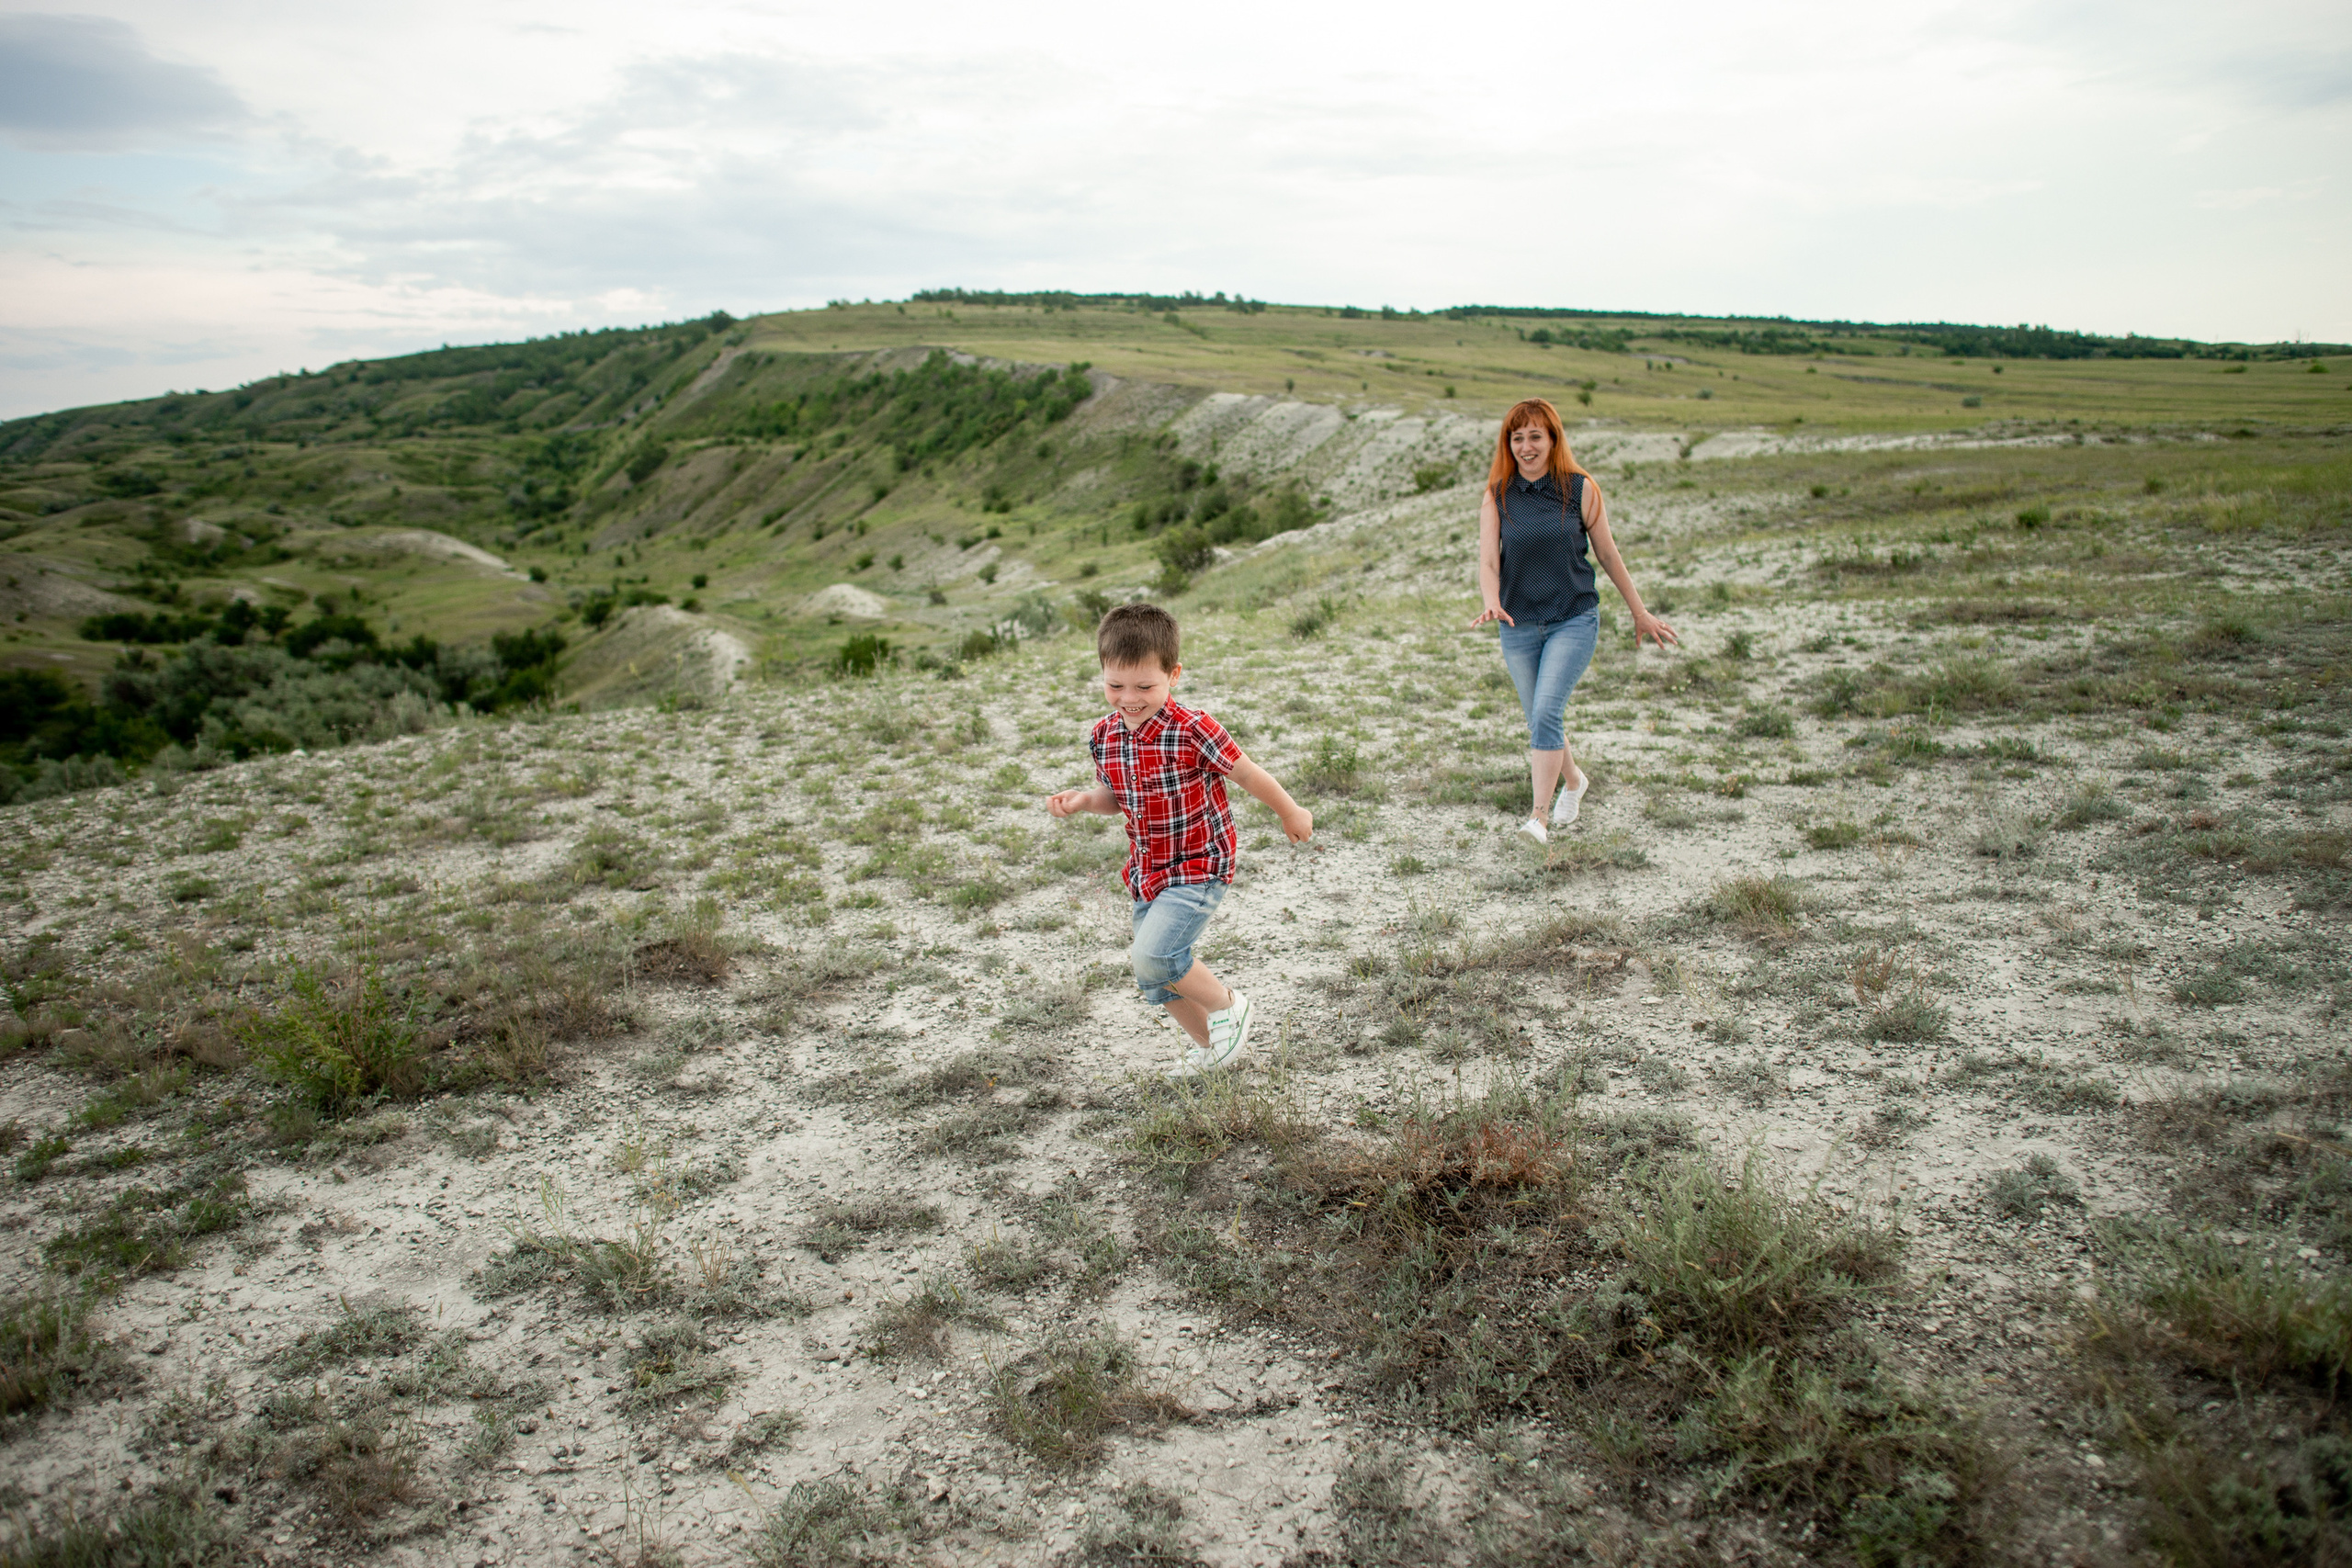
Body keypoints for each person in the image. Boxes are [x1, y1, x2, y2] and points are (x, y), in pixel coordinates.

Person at [1047, 603, 1314, 1077]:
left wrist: (1289, 810)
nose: (1129, 697)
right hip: (1149, 869)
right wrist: (1086, 801)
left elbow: (1247, 773)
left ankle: (1229, 1006)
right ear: (1102, 674)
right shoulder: (1104, 736)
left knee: (1158, 955)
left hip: (1199, 862)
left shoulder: (1191, 727)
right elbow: (1116, 796)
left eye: (1145, 686)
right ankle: (1211, 1049)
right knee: (1154, 974)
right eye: (1115, 685)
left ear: (1174, 674)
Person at [1471, 398, 1679, 845]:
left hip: (1573, 617)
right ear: (1509, 443)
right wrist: (1492, 601)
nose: (1526, 446)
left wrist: (1639, 611)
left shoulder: (1580, 488)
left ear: (1552, 440)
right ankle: (1575, 780)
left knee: (1546, 712)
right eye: (1517, 437)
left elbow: (1607, 553)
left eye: (1535, 437)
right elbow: (1489, 561)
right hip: (1518, 622)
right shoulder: (1497, 494)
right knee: (1540, 719)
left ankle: (1538, 820)